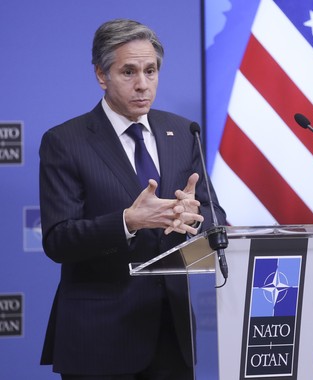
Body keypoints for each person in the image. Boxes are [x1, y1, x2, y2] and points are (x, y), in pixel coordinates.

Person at [39, 18, 226, 380]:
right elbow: (58, 239)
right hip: (99, 338)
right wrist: (128, 222)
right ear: (101, 75)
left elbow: (215, 215)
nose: (143, 84)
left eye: (151, 71)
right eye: (128, 72)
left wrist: (194, 215)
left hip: (171, 335)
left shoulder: (182, 133)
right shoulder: (66, 141)